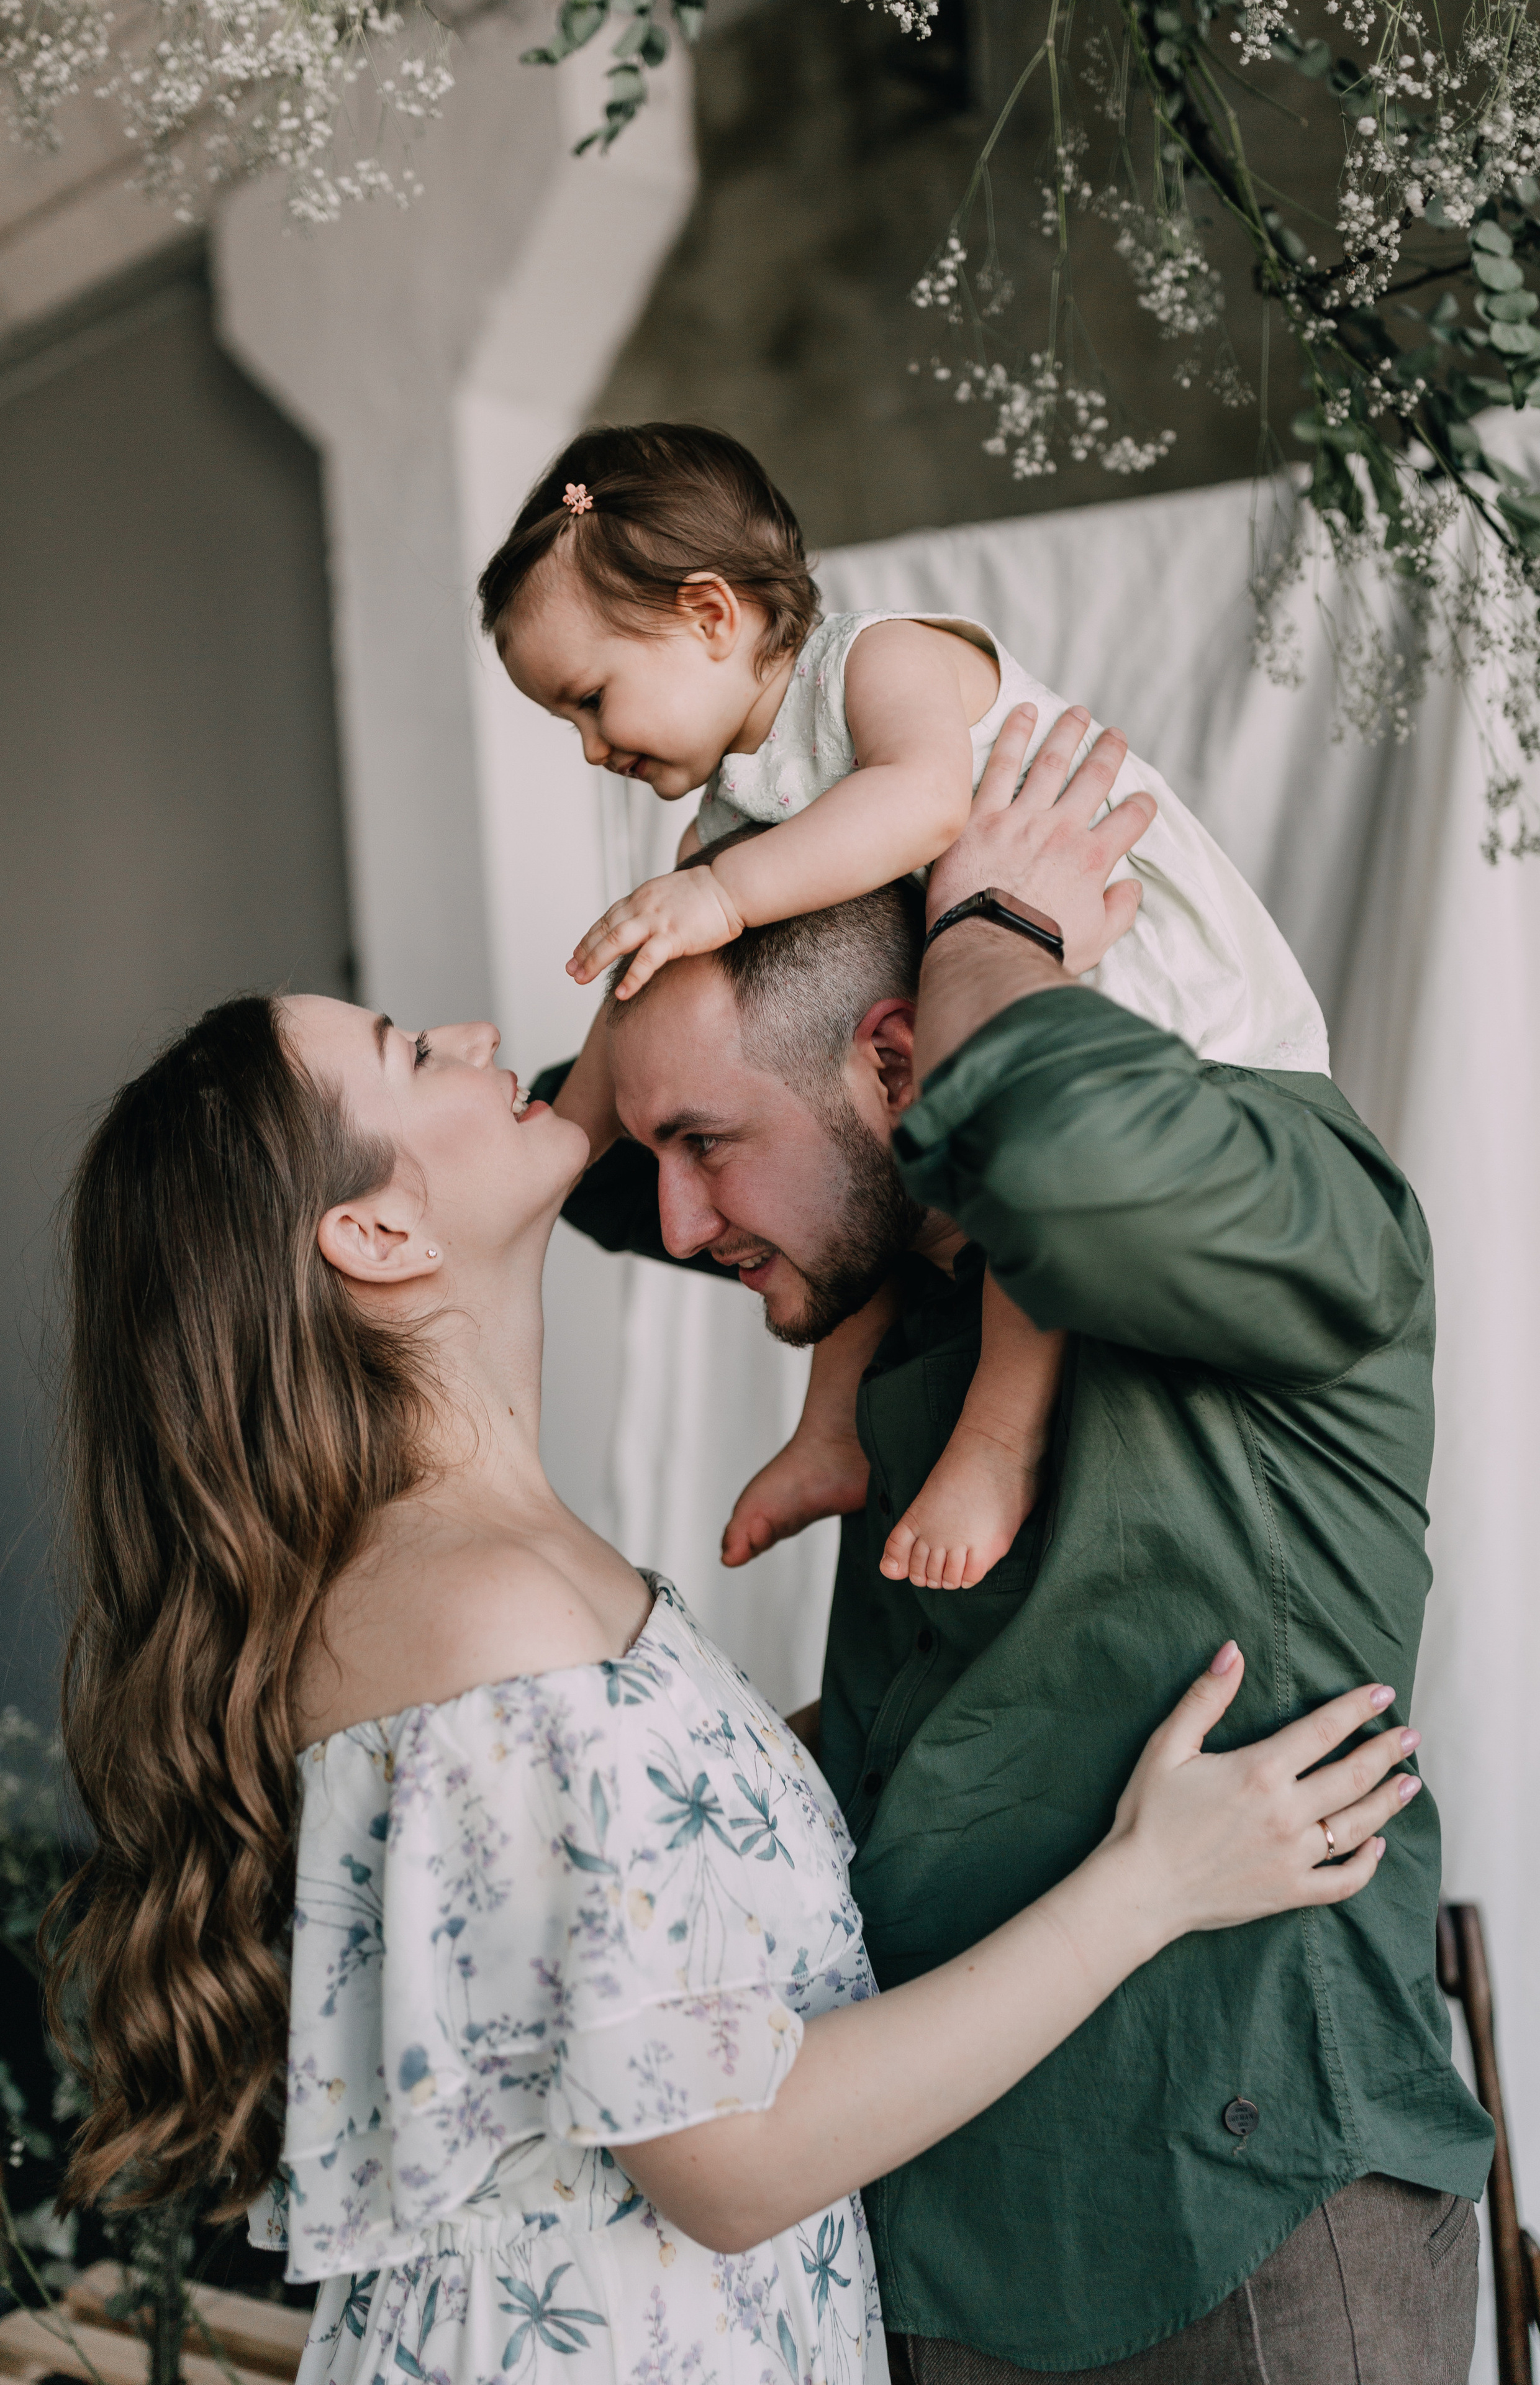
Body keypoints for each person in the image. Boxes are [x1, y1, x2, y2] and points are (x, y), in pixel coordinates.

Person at [42, 890, 1412, 2385]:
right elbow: (736, 2161)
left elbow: (673, 1870)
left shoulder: (473, 1574)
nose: (479, 1036)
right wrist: (1151, 1885)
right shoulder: (482, 1609)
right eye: (408, 1052)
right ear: (372, 1230)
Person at [533, 704, 1496, 2381]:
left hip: (1242, 2219)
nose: (679, 1221)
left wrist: (992, 931)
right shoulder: (892, 1276)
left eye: (709, 1146)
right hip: (940, 2225)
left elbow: (1051, 1148)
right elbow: (594, 1164)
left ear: (903, 1067)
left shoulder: (1288, 1183)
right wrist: (722, 899)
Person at [479, 421, 1328, 1596]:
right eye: (562, 723)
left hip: (1148, 997)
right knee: (856, 1169)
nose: (586, 748)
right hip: (977, 1018)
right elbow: (648, 1007)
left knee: (1008, 1166)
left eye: (590, 699)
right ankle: (834, 1431)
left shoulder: (878, 662)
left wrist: (722, 894)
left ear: (712, 615)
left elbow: (927, 803)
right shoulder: (725, 822)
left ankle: (996, 1442)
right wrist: (569, 1135)